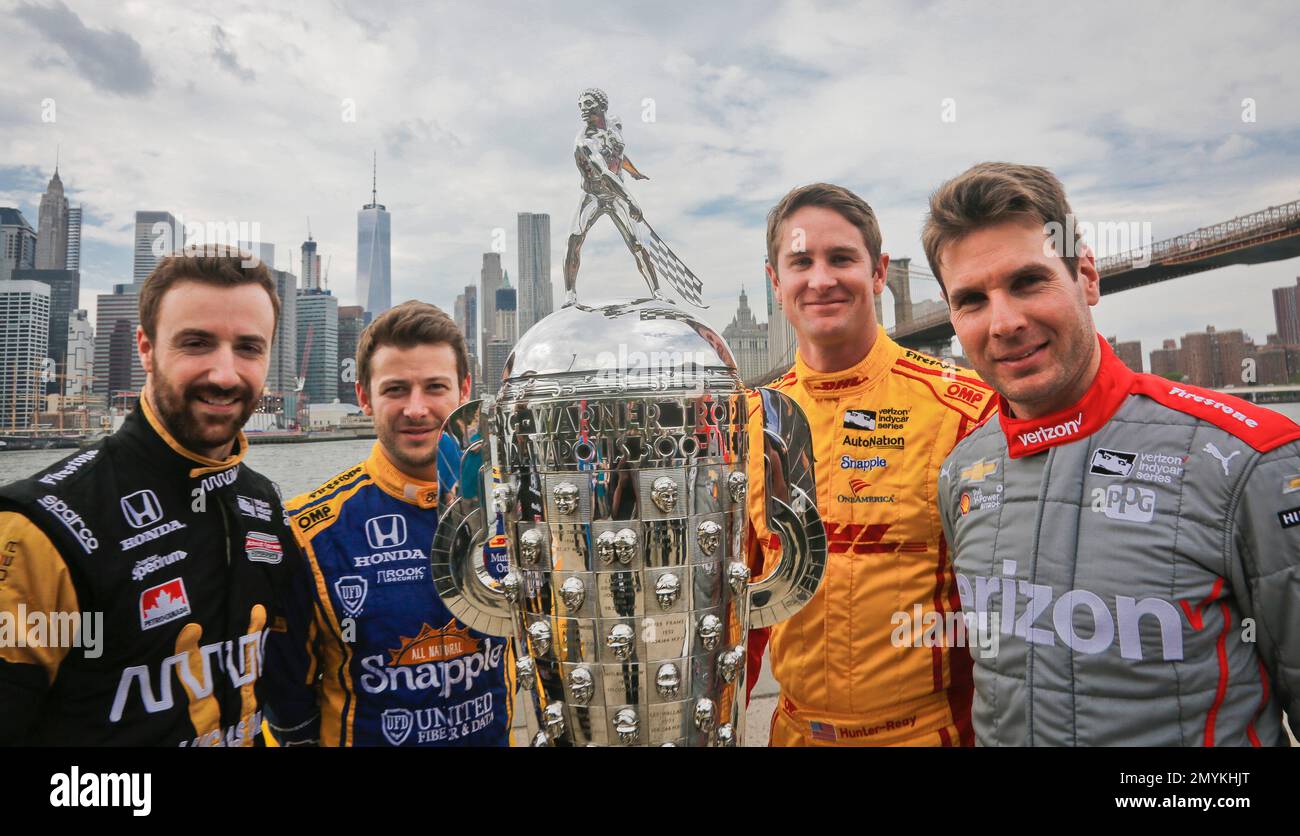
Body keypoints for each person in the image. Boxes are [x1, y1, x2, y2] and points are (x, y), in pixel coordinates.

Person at [927, 161, 1300, 745]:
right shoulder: (962, 472)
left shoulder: (1252, 460)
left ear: (1089, 278)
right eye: (972, 299)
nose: (1004, 322)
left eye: (1028, 281)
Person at [0, 247, 298, 746]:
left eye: (249, 347)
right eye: (197, 343)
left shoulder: (263, 503)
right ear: (145, 348)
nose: (225, 374)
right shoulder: (41, 527)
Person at [746, 183, 996, 746]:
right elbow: (742, 606)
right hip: (793, 732)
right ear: (775, 282)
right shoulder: (749, 424)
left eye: (842, 259)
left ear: (880, 272)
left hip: (932, 733)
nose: (821, 279)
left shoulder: (969, 408)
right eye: (801, 262)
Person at [263, 301, 513, 746]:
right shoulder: (309, 530)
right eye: (396, 389)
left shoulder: (512, 507)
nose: (416, 409)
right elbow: (286, 703)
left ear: (464, 391)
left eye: (435, 387)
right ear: (364, 396)